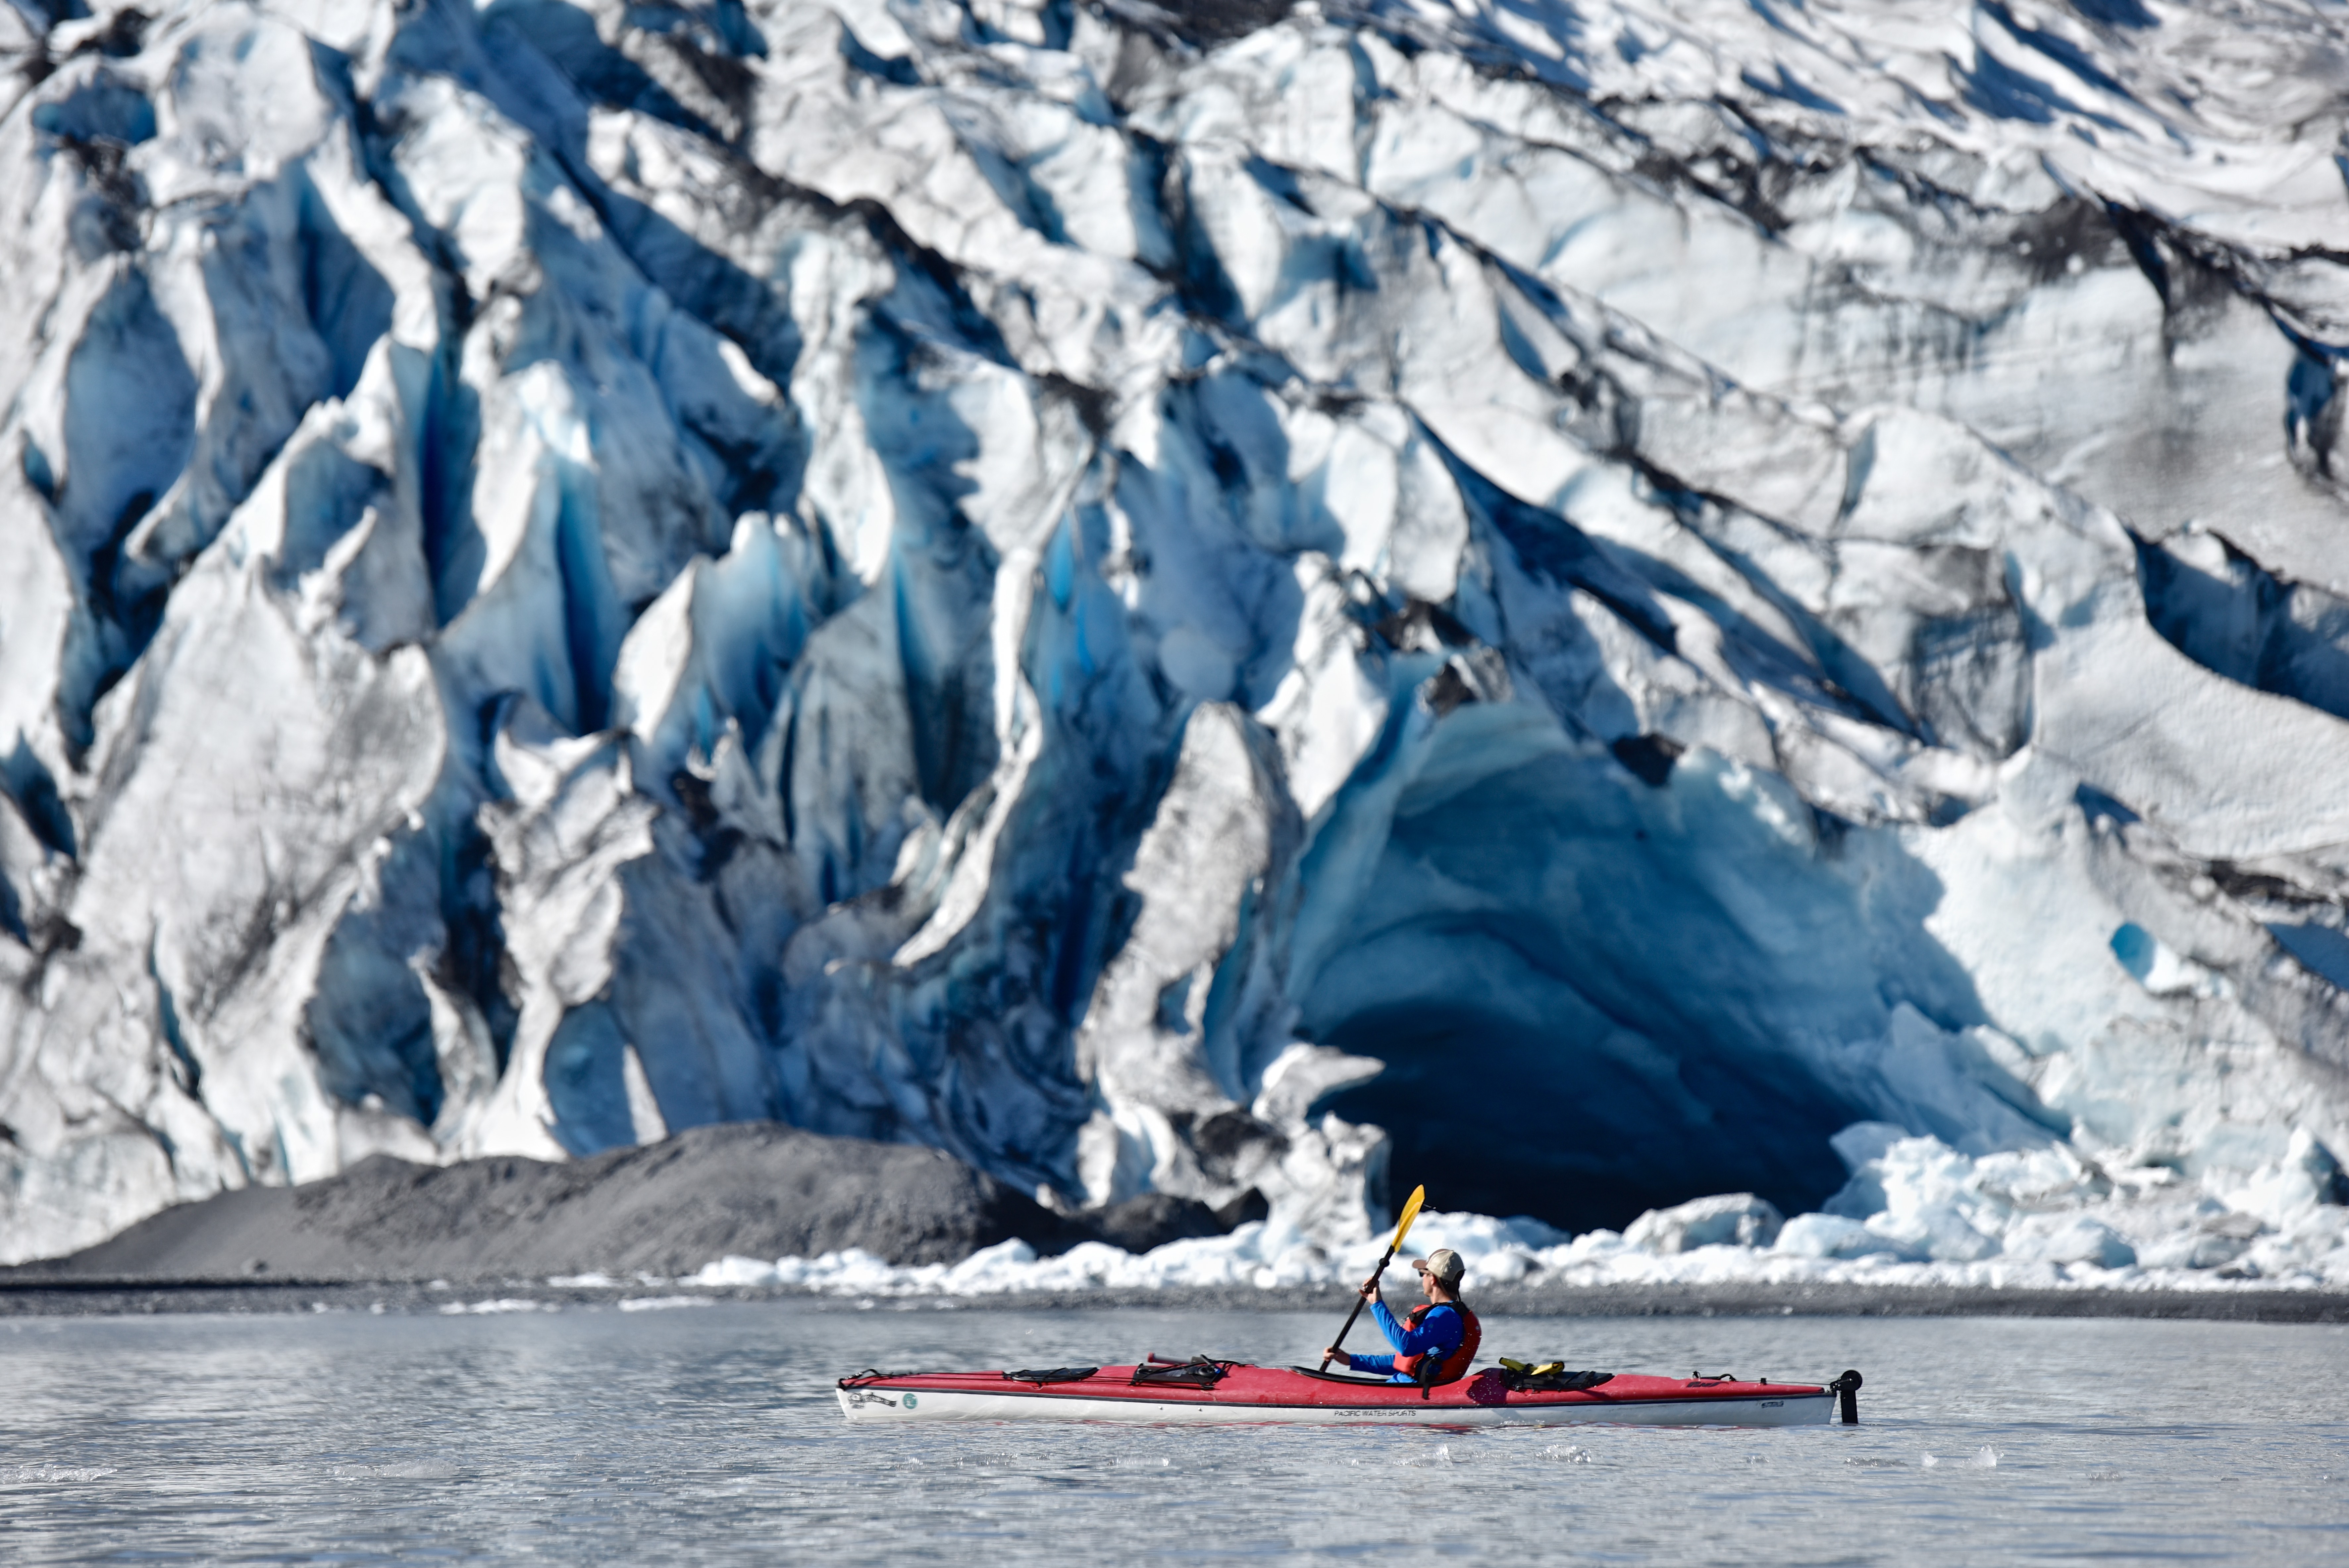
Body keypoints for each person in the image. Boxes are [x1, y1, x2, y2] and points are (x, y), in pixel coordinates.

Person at [1321, 1247, 1483, 1386]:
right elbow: (1406, 1362)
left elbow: (1406, 1346)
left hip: (1414, 1392)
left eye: (1423, 1274)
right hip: (1409, 1388)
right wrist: (1352, 1360)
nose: (1422, 1279)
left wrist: (1377, 1304)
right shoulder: (1450, 1314)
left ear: (1432, 1279)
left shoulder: (1444, 1315)